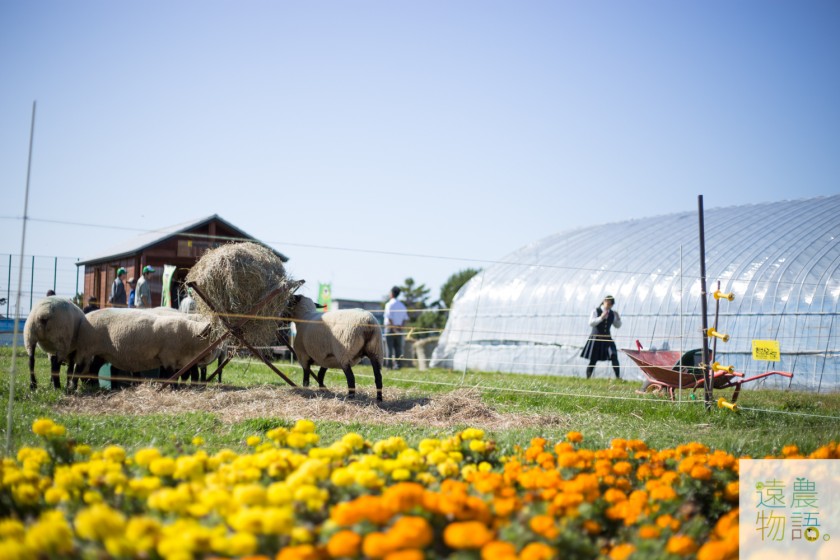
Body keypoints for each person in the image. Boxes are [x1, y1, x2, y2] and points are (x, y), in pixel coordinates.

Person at [581, 295, 622, 379]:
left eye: (611, 304)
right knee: (593, 359)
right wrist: (601, 317)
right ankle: (587, 378)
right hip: (596, 338)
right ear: (604, 301)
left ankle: (618, 378)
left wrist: (618, 318)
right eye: (608, 303)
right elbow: (591, 323)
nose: (609, 305)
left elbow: (617, 326)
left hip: (607, 338)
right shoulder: (596, 311)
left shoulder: (612, 313)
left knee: (613, 355)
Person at [383, 286, 409, 369]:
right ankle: (398, 365)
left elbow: (389, 317)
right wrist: (400, 328)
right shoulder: (402, 305)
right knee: (398, 348)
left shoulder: (389, 304)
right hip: (399, 329)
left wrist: (393, 328)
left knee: (389, 348)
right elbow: (405, 318)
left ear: (392, 293)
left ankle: (389, 366)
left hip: (390, 328)